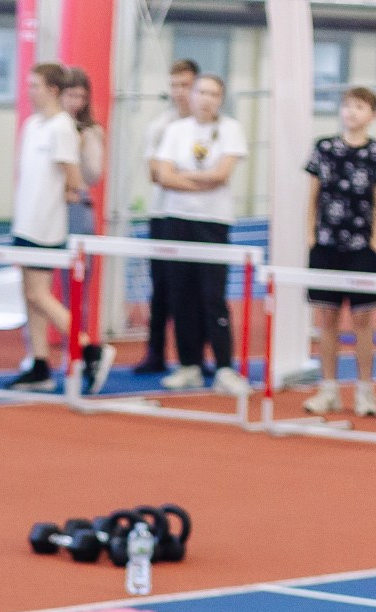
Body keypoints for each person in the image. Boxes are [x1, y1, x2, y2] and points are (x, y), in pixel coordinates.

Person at [152, 72, 249, 397]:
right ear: (192, 96)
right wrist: (200, 180)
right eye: (201, 92)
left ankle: (224, 367)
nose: (206, 99)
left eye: (213, 94)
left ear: (220, 99)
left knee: (213, 296)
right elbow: (163, 175)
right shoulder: (175, 130)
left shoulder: (231, 129)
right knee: (181, 295)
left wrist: (187, 176)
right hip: (177, 219)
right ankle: (188, 365)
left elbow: (222, 175)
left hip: (213, 221)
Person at [302, 84, 376, 415]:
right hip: (326, 244)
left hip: (360, 248)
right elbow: (313, 195)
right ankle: (328, 388)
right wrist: (311, 237)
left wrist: (375, 243)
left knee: (362, 320)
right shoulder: (324, 148)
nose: (351, 112)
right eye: (347, 106)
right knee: (327, 318)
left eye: (359, 107)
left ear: (372, 116)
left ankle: (365, 390)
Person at [7, 62, 82, 393]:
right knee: (30, 296)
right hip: (25, 221)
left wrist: (59, 196)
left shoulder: (62, 127)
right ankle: (39, 363)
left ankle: (88, 347)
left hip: (45, 225)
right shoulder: (32, 124)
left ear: (52, 90)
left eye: (34, 85)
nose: (29, 91)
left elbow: (74, 179)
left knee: (39, 294)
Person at [134, 59, 200, 378]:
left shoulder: (209, 128)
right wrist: (199, 179)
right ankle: (155, 352)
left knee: (196, 287)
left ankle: (195, 356)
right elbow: (156, 174)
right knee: (161, 287)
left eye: (185, 85)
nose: (179, 92)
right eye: (174, 85)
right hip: (163, 214)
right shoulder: (160, 126)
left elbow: (218, 172)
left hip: (199, 216)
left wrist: (178, 175)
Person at [63, 69, 106, 237]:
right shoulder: (49, 126)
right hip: (51, 198)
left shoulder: (91, 131)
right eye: (71, 95)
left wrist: (82, 146)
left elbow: (94, 174)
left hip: (77, 202)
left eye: (81, 97)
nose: (76, 102)